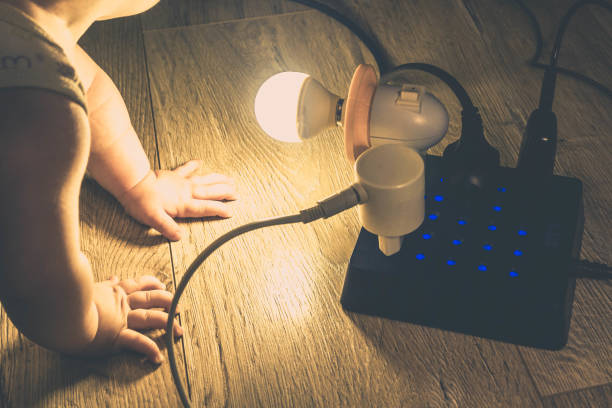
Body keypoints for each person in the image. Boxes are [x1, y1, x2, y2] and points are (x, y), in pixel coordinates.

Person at [0, 0, 237, 364]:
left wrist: (138, 182)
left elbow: (89, 89)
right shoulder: (35, 106)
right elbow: (36, 287)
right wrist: (92, 326)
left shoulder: (26, 36)